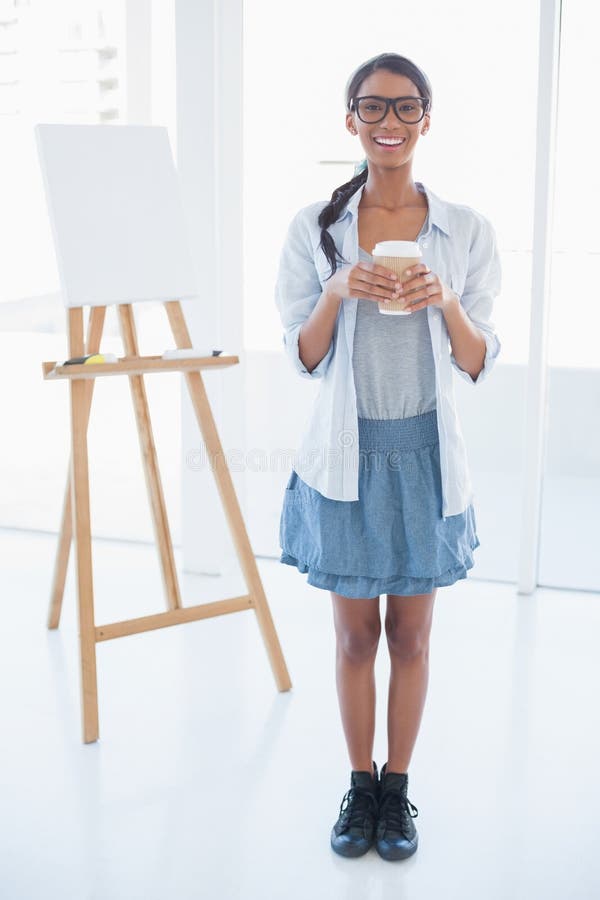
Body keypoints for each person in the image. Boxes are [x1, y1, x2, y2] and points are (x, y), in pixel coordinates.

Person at [274, 52, 502, 862]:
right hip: (344, 459)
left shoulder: (464, 229)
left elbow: (477, 360)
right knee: (351, 642)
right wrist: (338, 290)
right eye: (373, 108)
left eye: (405, 109)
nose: (390, 124)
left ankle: (396, 791)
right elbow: (302, 356)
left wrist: (442, 301)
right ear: (352, 122)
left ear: (426, 121)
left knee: (411, 638)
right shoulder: (317, 227)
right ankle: (357, 785)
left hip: (424, 460)